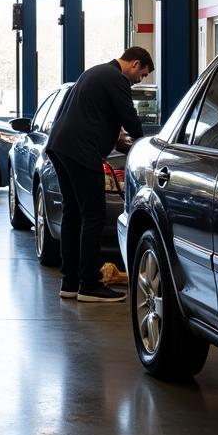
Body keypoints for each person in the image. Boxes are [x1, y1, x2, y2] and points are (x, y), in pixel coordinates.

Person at [46, 46, 154, 303]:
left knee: (73, 213)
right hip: (81, 151)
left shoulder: (96, 73)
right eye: (143, 74)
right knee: (93, 215)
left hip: (60, 147)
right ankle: (90, 285)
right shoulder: (116, 78)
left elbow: (97, 117)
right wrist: (148, 143)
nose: (140, 80)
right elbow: (130, 118)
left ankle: (70, 282)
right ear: (135, 64)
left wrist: (116, 140)